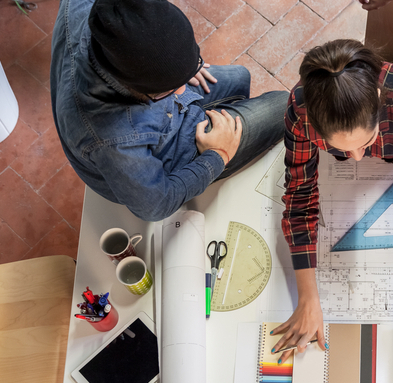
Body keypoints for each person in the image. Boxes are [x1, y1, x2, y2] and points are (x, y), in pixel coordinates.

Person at [272, 39, 393, 364]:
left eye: (366, 141)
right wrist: (307, 298)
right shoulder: (300, 110)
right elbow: (299, 197)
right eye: (340, 149)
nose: (357, 158)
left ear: (378, 99)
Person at [51, 0, 288, 221]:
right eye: (167, 89)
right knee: (282, 106)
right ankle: (223, 154)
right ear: (132, 85)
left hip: (157, 111)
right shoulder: (114, 140)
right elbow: (155, 206)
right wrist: (216, 156)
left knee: (240, 77)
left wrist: (179, 68)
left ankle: (227, 128)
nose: (182, 90)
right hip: (159, 154)